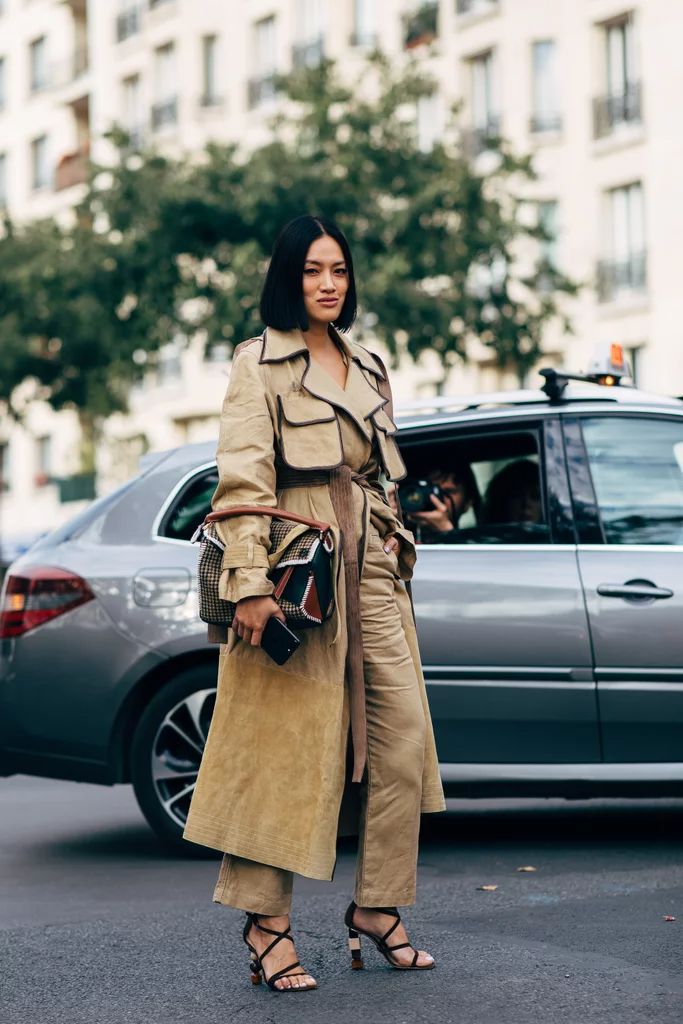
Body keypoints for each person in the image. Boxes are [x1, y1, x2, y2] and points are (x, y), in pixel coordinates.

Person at [183, 214, 446, 993]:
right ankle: (265, 925)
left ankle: (377, 907)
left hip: (370, 580)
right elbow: (242, 486)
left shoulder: (368, 364)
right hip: (297, 581)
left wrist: (405, 537)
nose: (327, 283)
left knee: (400, 747)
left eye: (337, 270)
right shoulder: (257, 365)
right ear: (286, 278)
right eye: (310, 270)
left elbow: (377, 477)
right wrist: (250, 588)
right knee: (283, 758)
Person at [405, 462, 480, 543]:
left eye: (447, 491)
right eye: (430, 489)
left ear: (467, 503)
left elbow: (466, 555)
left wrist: (447, 532)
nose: (437, 497)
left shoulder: (480, 544)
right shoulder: (398, 538)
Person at [483, 458, 542, 525]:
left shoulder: (554, 534)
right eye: (517, 495)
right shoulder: (487, 535)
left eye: (536, 497)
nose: (526, 503)